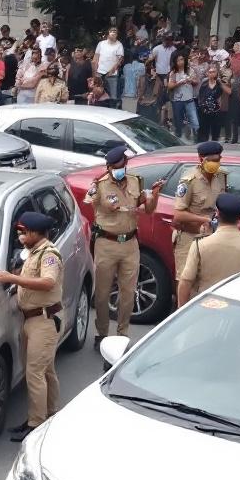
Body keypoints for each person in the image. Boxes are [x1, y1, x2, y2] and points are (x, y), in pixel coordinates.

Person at [0, 212, 63, 443]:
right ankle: (48, 415)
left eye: (23, 232)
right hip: (31, 320)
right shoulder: (34, 253)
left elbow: (48, 282)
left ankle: (36, 424)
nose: (20, 236)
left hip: (43, 321)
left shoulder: (49, 255)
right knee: (46, 372)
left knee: (35, 374)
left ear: (33, 233)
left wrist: (13, 279)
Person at [84, 146, 163, 345]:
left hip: (130, 243)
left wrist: (155, 195)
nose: (117, 170)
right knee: (102, 294)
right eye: (113, 167)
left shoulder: (136, 181)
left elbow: (149, 210)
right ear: (108, 167)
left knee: (128, 293)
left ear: (125, 164)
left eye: (120, 166)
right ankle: (102, 333)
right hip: (106, 243)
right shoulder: (100, 184)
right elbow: (89, 202)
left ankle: (122, 335)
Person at [177, 193, 240, 305]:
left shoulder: (200, 244)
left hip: (207, 307)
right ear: (239, 217)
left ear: (217, 214)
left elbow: (186, 282)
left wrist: (181, 313)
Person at [171, 141, 229, 279]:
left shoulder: (221, 176)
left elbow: (222, 201)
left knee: (208, 279)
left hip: (211, 237)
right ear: (201, 159)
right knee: (186, 279)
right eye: (212, 161)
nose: (215, 163)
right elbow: (178, 215)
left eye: (218, 160)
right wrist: (203, 219)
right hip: (190, 237)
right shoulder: (189, 181)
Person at [195, 64, 230, 142]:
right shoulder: (204, 82)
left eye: (214, 72)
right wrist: (201, 106)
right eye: (210, 72)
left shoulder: (220, 83)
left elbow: (229, 91)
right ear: (207, 73)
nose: (212, 74)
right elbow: (199, 95)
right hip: (204, 112)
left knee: (215, 133)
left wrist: (220, 83)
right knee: (203, 133)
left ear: (217, 73)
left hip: (216, 111)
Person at [167, 54, 197, 137]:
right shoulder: (173, 72)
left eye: (182, 59)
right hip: (178, 100)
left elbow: (196, 81)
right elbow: (169, 86)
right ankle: (178, 135)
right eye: (179, 60)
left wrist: (191, 80)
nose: (181, 62)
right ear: (176, 62)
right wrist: (180, 82)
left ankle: (193, 136)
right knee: (178, 119)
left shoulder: (190, 70)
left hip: (189, 99)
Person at [94, 27, 126, 99]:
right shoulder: (101, 44)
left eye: (115, 31)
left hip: (112, 75)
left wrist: (111, 71)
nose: (113, 33)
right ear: (108, 33)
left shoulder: (119, 45)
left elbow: (120, 60)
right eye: (112, 31)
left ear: (117, 34)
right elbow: (96, 58)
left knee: (113, 96)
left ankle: (112, 109)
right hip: (100, 73)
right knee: (98, 95)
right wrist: (95, 72)